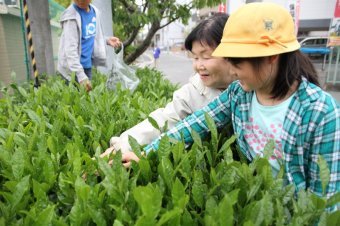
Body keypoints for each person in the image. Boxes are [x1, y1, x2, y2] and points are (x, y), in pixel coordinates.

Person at [121, 2, 340, 206]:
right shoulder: (239, 94)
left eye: (236, 62)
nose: (231, 70)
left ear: (271, 56)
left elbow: (327, 199)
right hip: (255, 203)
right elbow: (193, 126)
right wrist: (147, 153)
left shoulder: (320, 112)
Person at [101, 13, 236, 157]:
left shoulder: (251, 88)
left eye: (206, 57)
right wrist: (122, 146)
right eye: (195, 57)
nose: (198, 66)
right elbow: (164, 120)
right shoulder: (193, 90)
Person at [57, 0, 121, 92]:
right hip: (72, 69)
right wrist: (81, 76)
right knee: (74, 101)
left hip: (86, 65)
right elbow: (70, 51)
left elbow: (90, 36)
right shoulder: (71, 17)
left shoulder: (95, 12)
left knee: (86, 99)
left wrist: (106, 40)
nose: (80, 1)